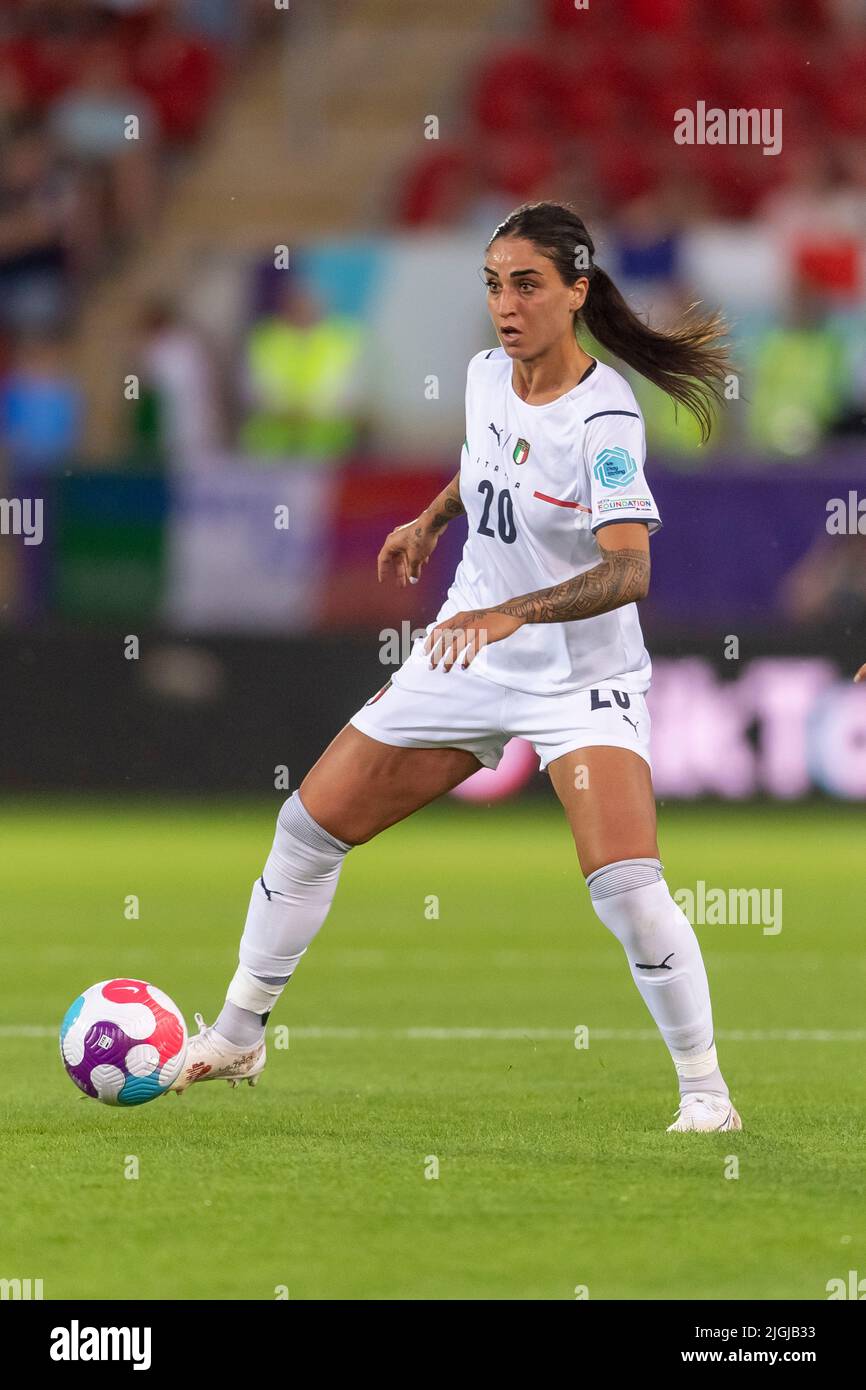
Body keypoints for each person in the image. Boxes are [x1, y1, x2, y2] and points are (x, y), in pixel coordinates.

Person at [172, 201, 740, 1133]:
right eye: (492, 285)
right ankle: (238, 1033)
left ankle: (707, 1097)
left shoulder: (605, 419)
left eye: (526, 285)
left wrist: (508, 611)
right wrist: (433, 520)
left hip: (578, 676)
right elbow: (489, 463)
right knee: (306, 828)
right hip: (466, 651)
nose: (505, 306)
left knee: (627, 888)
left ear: (576, 292)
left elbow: (630, 568)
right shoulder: (485, 376)